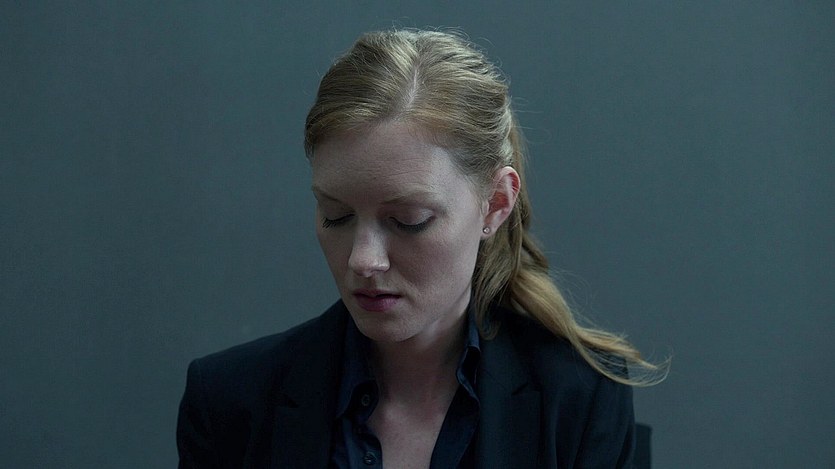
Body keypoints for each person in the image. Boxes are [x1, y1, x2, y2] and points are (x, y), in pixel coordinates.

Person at [177, 28, 665, 468]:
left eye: (409, 221)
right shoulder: (230, 401)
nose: (363, 260)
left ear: (496, 204)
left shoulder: (580, 400)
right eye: (336, 215)